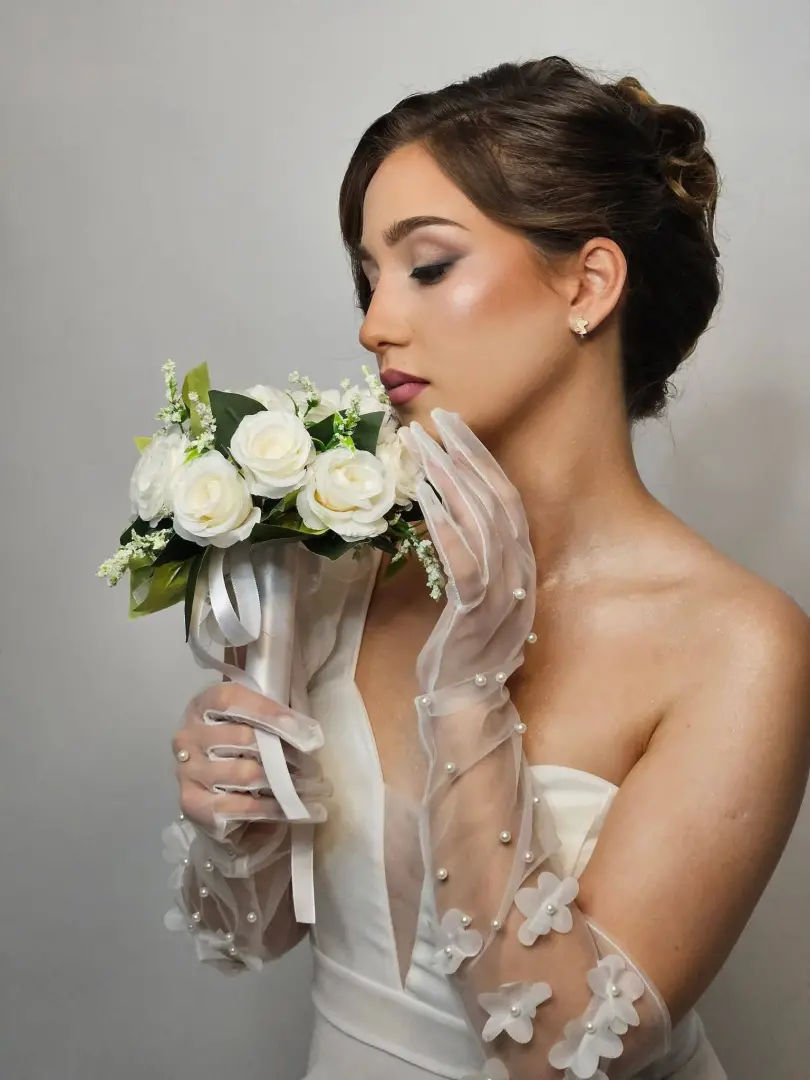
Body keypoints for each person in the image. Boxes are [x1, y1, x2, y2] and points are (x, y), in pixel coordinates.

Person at [164, 56, 810, 1079]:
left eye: (426, 266)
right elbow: (257, 934)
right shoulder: (346, 569)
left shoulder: (741, 643)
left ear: (588, 284)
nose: (374, 325)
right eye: (368, 277)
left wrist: (467, 695)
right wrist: (232, 811)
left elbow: (561, 1054)